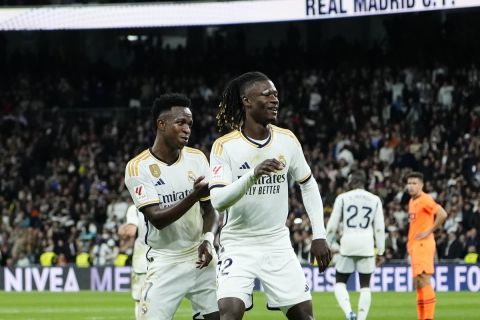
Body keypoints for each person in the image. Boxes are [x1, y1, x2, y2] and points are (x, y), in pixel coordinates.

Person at [209, 71, 331, 320]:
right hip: (238, 243)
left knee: (305, 317)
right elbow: (218, 200)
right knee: (229, 314)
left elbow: (308, 184)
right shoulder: (225, 146)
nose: (275, 100)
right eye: (267, 94)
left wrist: (319, 235)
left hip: (277, 243)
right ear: (247, 101)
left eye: (275, 94)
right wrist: (253, 174)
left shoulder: (286, 140)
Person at [124, 93, 219, 320]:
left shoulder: (197, 159)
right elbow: (157, 218)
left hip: (200, 257)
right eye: (180, 122)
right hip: (166, 260)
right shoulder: (138, 167)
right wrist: (193, 196)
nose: (187, 129)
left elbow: (209, 211)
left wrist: (208, 238)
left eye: (189, 124)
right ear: (162, 124)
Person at [326, 170, 385, 320]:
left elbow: (333, 225)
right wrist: (381, 251)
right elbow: (379, 228)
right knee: (365, 285)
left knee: (340, 282)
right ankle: (361, 318)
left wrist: (327, 243)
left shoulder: (343, 198)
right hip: (366, 244)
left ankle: (348, 312)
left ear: (351, 182)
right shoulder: (375, 199)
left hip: (348, 243)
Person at [406, 172, 447, 320]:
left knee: (424, 279)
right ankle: (422, 317)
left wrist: (429, 231)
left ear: (421, 185)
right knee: (418, 282)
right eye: (409, 183)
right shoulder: (412, 201)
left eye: (414, 183)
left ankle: (429, 318)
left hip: (424, 244)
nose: (411, 186)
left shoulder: (425, 199)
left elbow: (442, 214)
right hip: (415, 246)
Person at [118, 203, 148, 319]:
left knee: (140, 300)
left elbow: (130, 232)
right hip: (164, 256)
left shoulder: (135, 208)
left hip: (142, 260)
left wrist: (122, 231)